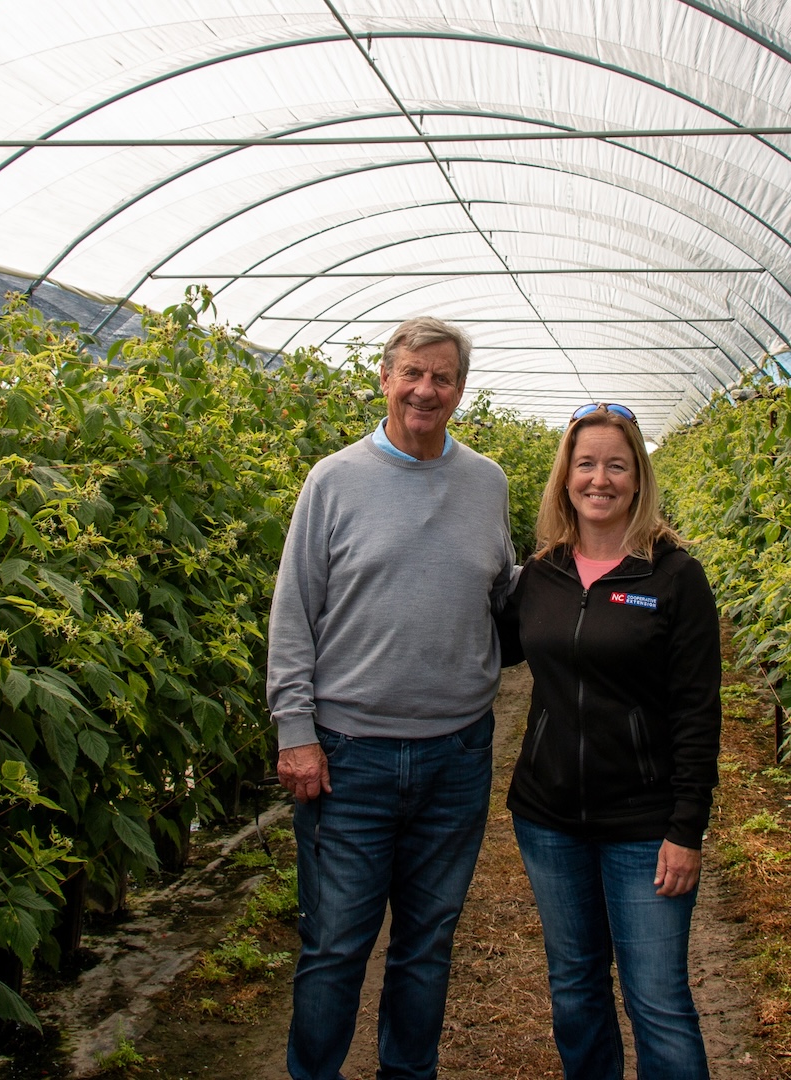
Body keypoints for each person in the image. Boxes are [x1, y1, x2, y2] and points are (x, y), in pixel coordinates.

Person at [266, 316, 516, 1080]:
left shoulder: (489, 481)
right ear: (384, 378)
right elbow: (293, 612)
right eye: (412, 372)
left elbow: (505, 596)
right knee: (337, 943)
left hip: (458, 752)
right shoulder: (334, 480)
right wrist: (295, 731)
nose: (425, 390)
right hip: (349, 757)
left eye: (442, 377)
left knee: (427, 941)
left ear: (460, 391)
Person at [501, 402, 722, 1080]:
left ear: (638, 477)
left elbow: (697, 711)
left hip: (644, 826)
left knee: (657, 1000)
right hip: (549, 819)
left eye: (616, 465)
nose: (600, 479)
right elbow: (487, 648)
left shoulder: (674, 576)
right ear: (565, 476)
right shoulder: (541, 574)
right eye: (586, 463)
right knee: (574, 988)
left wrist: (687, 829)